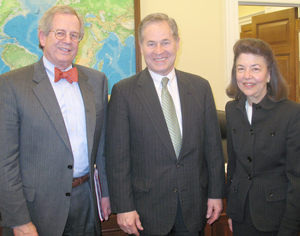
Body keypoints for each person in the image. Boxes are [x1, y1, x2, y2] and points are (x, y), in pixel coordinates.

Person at [105, 13, 225, 236]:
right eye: (151, 43)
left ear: (177, 43)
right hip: (146, 212)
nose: (159, 51)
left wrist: (216, 194)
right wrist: (124, 207)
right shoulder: (124, 92)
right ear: (141, 46)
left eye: (165, 42)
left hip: (194, 206)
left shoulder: (200, 87)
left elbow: (213, 148)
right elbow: (117, 158)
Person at [0, 5, 111, 236]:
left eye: (74, 35)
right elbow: (5, 161)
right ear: (42, 37)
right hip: (36, 209)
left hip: (87, 202)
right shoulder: (11, 85)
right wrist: (18, 219)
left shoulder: (97, 81)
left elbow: (102, 146)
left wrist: (106, 193)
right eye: (60, 33)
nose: (67, 41)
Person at [225, 38, 300, 236]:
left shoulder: (291, 114)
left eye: (255, 69)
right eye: (241, 68)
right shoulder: (232, 110)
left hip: (276, 218)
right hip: (241, 215)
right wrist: (232, 211)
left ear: (269, 74)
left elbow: (297, 179)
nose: (247, 76)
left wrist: (291, 228)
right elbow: (234, 166)